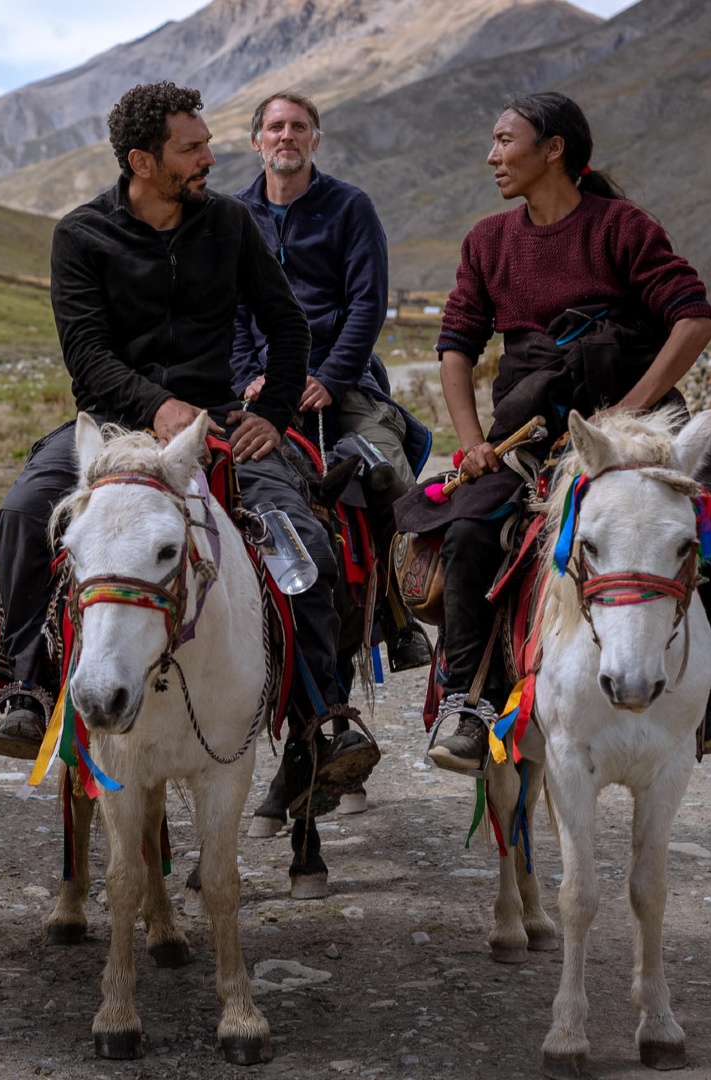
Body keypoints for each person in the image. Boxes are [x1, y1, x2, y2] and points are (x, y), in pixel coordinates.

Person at [0, 81, 380, 809]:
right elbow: (88, 355)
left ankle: (319, 719)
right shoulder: (80, 235)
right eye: (191, 148)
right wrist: (157, 406)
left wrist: (277, 412)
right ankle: (24, 686)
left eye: (206, 143)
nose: (210, 157)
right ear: (143, 160)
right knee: (21, 514)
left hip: (223, 424)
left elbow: (288, 325)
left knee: (304, 546)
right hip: (109, 427)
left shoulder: (228, 221)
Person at [407, 91, 711, 772]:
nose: (493, 155)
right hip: (532, 428)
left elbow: (693, 318)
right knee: (471, 533)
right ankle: (467, 701)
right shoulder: (488, 242)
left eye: (506, 140)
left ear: (554, 149)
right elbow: (456, 346)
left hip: (648, 424)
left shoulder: (623, 227)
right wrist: (473, 439)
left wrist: (629, 406)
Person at [229, 90, 432, 828]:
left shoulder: (350, 209)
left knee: (382, 468)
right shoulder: (233, 215)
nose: (287, 136)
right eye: (275, 127)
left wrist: (328, 379)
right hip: (257, 384)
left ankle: (400, 615)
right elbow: (234, 307)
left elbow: (365, 303)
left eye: (299, 126)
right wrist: (260, 377)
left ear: (316, 138)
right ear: (256, 141)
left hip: (342, 384)